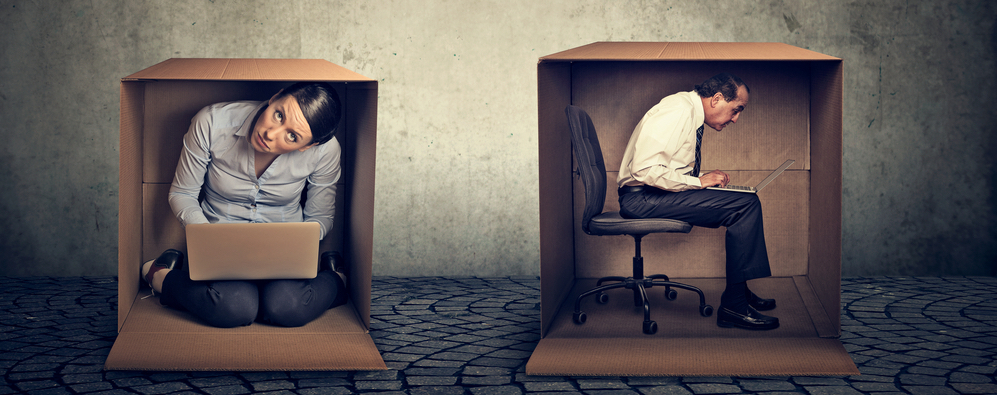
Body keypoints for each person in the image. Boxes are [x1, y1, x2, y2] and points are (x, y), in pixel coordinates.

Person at [140, 82, 349, 328]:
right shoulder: (211, 121)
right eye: (278, 115)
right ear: (276, 96)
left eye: (292, 136)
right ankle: (160, 274)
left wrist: (302, 242)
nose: (271, 133)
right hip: (221, 243)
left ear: (307, 146)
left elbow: (320, 215)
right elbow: (183, 193)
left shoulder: (325, 151)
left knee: (288, 307)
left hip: (283, 251)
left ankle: (335, 279)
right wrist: (206, 238)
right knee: (235, 309)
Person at [616, 73, 779, 330]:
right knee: (744, 206)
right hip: (641, 199)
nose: (736, 119)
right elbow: (643, 170)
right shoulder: (677, 110)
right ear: (716, 99)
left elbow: (663, 167)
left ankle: (739, 292)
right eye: (736, 110)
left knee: (745, 199)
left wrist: (701, 178)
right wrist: (698, 183)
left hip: (653, 194)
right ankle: (734, 306)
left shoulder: (687, 111)